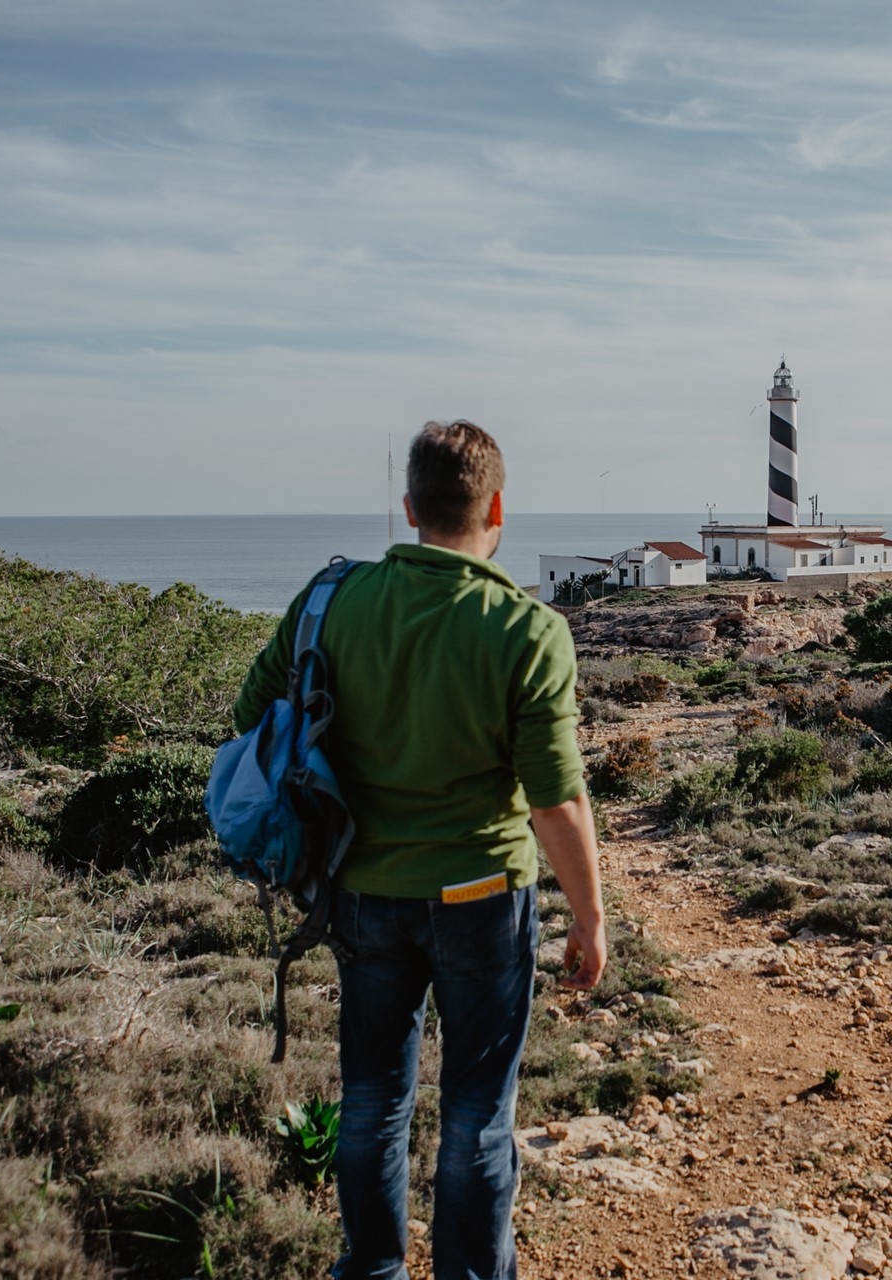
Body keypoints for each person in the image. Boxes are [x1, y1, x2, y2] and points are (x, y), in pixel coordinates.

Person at [233, 419, 605, 1280]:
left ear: (409, 508)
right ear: (498, 506)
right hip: (481, 897)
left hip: (359, 892)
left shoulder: (331, 601)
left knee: (370, 1105)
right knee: (475, 1113)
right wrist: (589, 917)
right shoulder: (527, 629)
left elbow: (252, 716)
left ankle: (372, 1271)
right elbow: (555, 797)